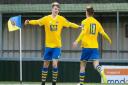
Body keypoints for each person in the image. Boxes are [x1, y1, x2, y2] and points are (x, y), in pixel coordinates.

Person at [24, 2, 80, 85]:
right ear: (52, 9)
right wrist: (29, 22)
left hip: (57, 46)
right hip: (48, 46)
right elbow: (37, 21)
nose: (56, 10)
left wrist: (78, 26)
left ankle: (54, 82)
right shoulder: (46, 19)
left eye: (58, 9)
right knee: (46, 64)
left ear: (59, 10)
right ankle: (43, 82)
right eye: (55, 8)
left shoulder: (61, 19)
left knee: (54, 64)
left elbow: (70, 24)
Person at [73, 6, 112, 85]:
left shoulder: (84, 21)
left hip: (86, 47)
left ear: (87, 12)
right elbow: (103, 33)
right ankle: (102, 72)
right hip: (94, 47)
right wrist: (109, 39)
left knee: (83, 65)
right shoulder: (97, 23)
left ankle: (81, 83)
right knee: (96, 65)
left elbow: (83, 32)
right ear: (93, 13)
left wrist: (77, 41)